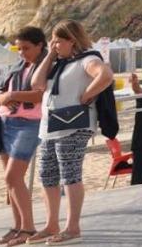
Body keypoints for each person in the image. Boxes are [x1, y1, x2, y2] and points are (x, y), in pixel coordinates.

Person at [29, 20, 115, 245]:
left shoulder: (88, 59)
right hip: (50, 126)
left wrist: (87, 94)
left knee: (70, 173)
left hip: (75, 124)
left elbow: (105, 75)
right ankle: (51, 224)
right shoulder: (59, 64)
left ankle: (72, 226)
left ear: (72, 41)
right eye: (53, 41)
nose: (55, 45)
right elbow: (36, 84)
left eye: (58, 41)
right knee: (47, 175)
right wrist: (49, 55)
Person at [0, 26, 47, 247]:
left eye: (26, 48)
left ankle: (28, 227)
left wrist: (11, 95)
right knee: (12, 181)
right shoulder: (18, 65)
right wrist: (2, 98)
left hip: (29, 124)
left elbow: (39, 94)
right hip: (6, 121)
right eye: (19, 48)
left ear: (39, 46)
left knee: (12, 178)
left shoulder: (45, 67)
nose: (22, 52)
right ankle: (17, 227)